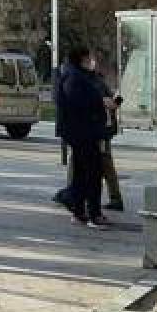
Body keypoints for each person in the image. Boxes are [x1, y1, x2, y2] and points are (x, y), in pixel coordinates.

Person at [54, 45, 111, 229]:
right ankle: (81, 205)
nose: (91, 61)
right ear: (82, 59)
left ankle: (80, 211)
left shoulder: (79, 75)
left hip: (85, 131)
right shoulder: (73, 77)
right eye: (89, 58)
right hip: (82, 132)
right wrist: (100, 103)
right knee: (93, 172)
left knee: (83, 172)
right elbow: (77, 104)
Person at [53, 74, 125, 212]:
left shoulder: (91, 84)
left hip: (97, 131)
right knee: (99, 163)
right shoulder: (96, 83)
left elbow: (109, 104)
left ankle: (73, 195)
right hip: (100, 131)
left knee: (87, 162)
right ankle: (113, 198)